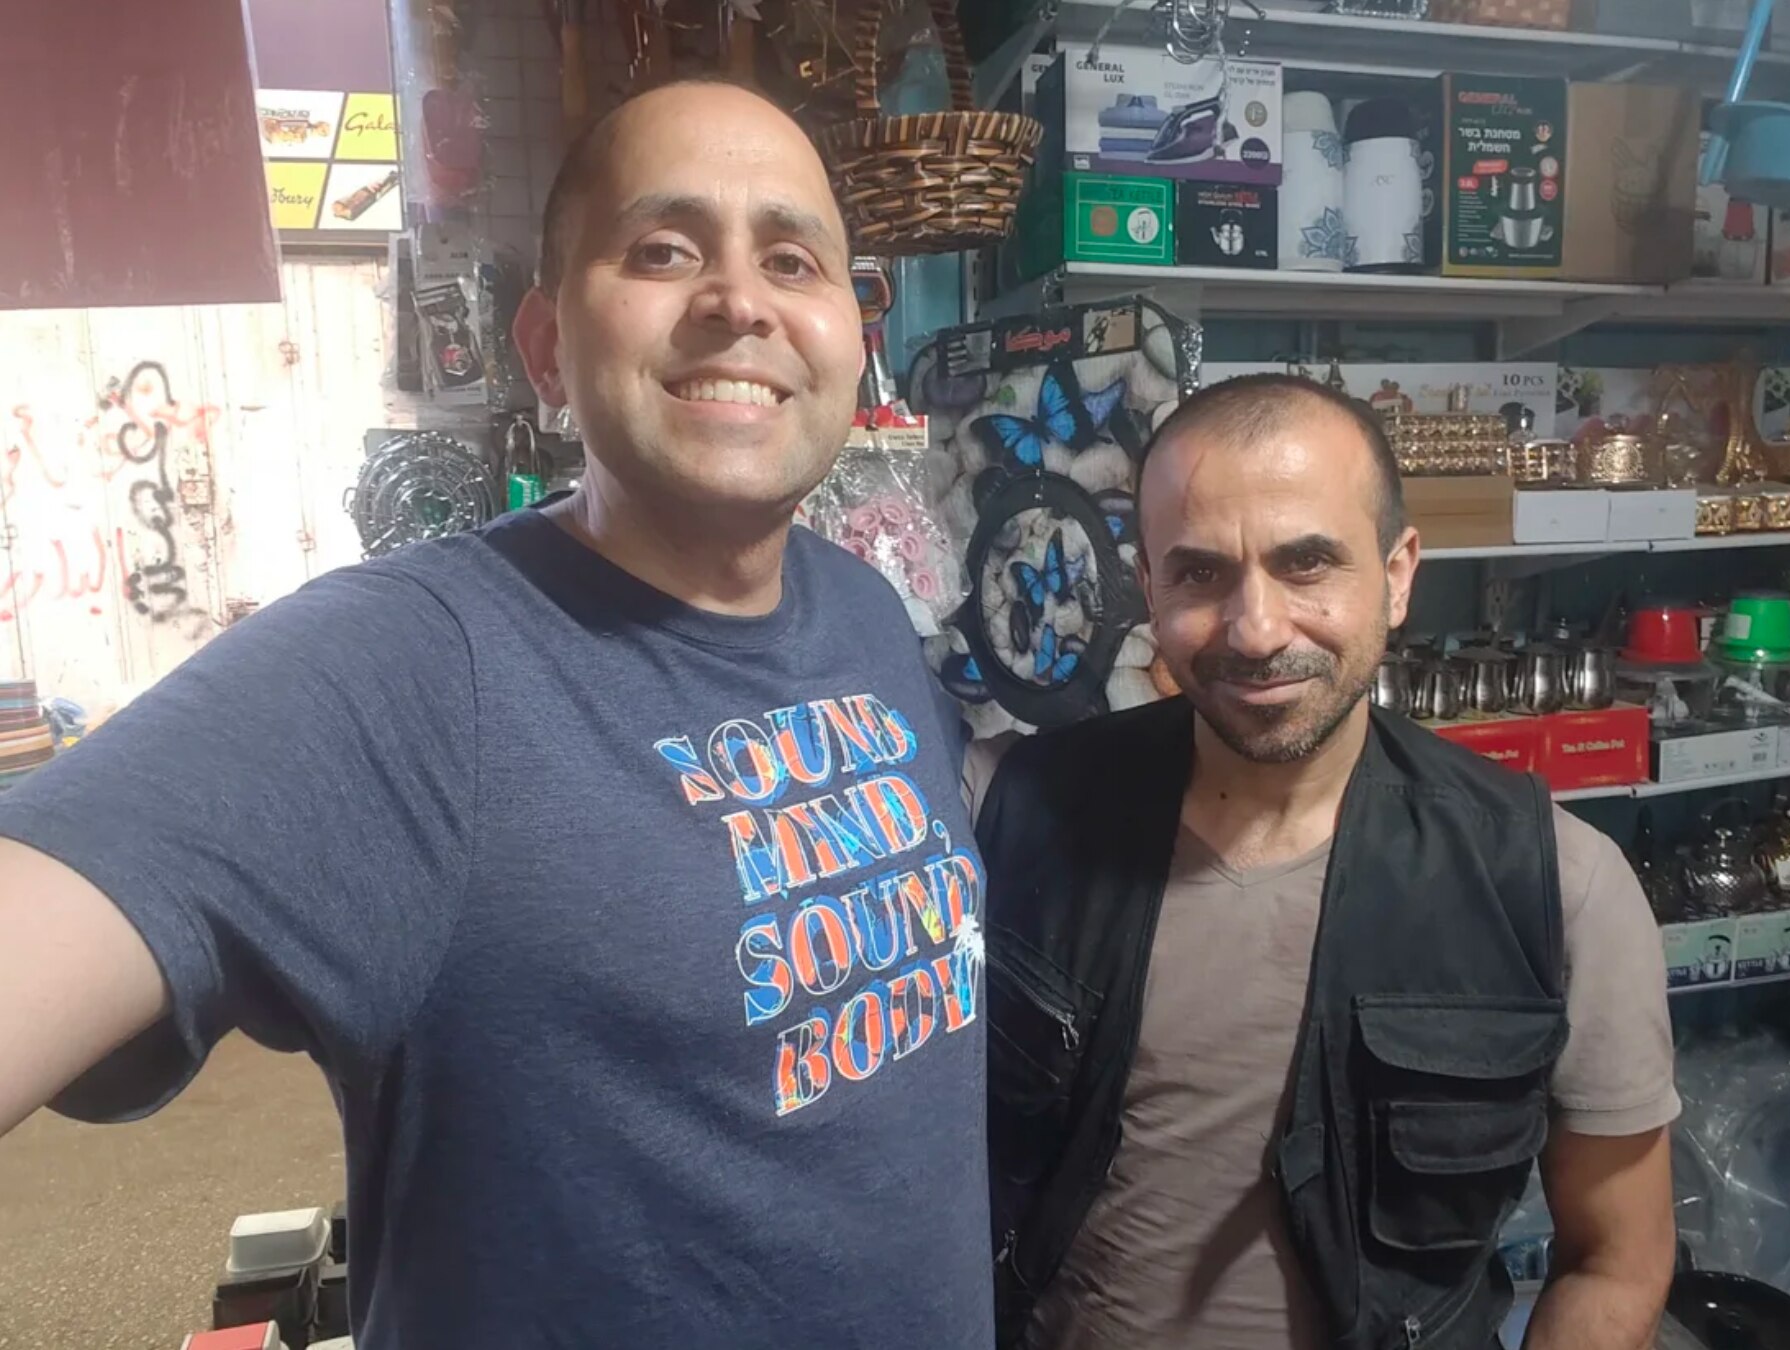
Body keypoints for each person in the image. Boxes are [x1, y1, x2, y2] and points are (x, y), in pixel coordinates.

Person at [0, 79, 992, 1348]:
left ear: (853, 340)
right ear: (544, 348)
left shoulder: (864, 614)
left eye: (791, 258)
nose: (740, 300)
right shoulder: (412, 665)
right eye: (663, 249)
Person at [977, 374, 1677, 1350]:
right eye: (1200, 574)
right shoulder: (1016, 820)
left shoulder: (1559, 887)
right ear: (1149, 588)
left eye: (1308, 565)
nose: (1257, 632)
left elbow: (1618, 1260)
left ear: (1396, 576)